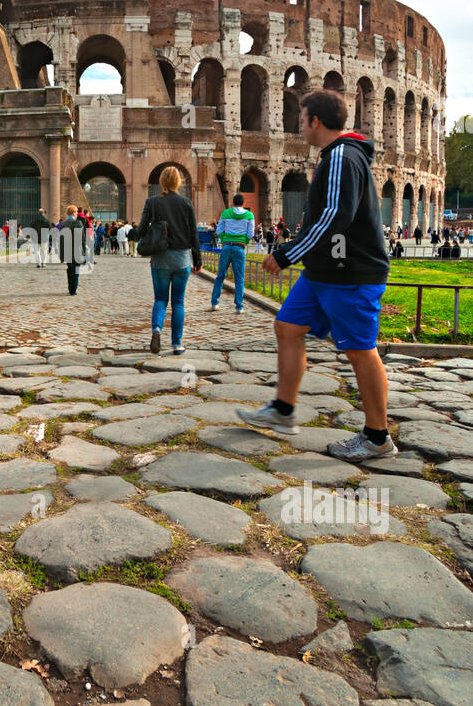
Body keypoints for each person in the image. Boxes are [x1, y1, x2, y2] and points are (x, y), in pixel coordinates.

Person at [237, 88, 397, 463]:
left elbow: (335, 216)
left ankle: (377, 437)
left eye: (302, 118)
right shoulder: (334, 156)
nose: (299, 125)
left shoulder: (343, 156)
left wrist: (287, 253)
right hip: (324, 271)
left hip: (351, 271)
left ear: (316, 122)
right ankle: (283, 409)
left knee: (360, 350)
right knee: (287, 327)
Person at [134, 165, 202, 355]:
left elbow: (140, 230)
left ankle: (157, 329)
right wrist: (197, 259)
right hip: (181, 258)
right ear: (178, 182)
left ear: (162, 181)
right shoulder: (186, 203)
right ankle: (177, 344)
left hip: (160, 258)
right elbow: (193, 234)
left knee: (161, 299)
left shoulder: (152, 201)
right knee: (178, 302)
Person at [210, 193, 254, 314]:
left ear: (233, 202)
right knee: (239, 278)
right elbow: (250, 234)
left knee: (220, 275)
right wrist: (243, 242)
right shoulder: (249, 215)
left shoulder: (226, 213)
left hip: (226, 246)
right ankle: (239, 306)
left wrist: (225, 239)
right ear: (243, 203)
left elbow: (219, 231)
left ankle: (214, 303)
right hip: (239, 247)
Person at [58, 204, 87, 295]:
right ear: (74, 213)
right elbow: (81, 239)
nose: (77, 214)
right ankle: (73, 289)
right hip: (76, 250)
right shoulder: (77, 223)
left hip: (66, 250)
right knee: (76, 270)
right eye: (76, 212)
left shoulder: (63, 224)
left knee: (70, 269)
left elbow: (61, 240)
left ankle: (70, 288)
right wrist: (83, 250)